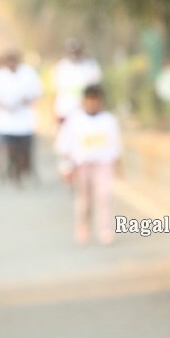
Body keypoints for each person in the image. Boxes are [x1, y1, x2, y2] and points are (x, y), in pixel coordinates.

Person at [56, 84, 122, 245]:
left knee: (104, 197)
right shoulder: (74, 120)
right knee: (84, 201)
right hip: (82, 166)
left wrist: (119, 167)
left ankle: (105, 229)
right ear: (84, 101)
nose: (92, 104)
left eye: (96, 101)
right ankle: (83, 226)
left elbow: (116, 145)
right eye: (89, 101)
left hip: (103, 165)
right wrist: (66, 167)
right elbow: (65, 146)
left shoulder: (109, 120)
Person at [0, 48, 42, 183]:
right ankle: (12, 172)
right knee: (9, 150)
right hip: (6, 122)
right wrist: (5, 105)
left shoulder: (28, 73)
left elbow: (36, 93)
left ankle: (24, 171)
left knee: (25, 150)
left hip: (25, 121)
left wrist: (24, 101)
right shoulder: (0, 75)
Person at [53, 37, 103, 123]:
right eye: (71, 52)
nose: (74, 55)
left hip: (86, 111)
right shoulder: (61, 67)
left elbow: (96, 88)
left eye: (76, 52)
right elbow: (57, 90)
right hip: (66, 110)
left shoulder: (90, 66)